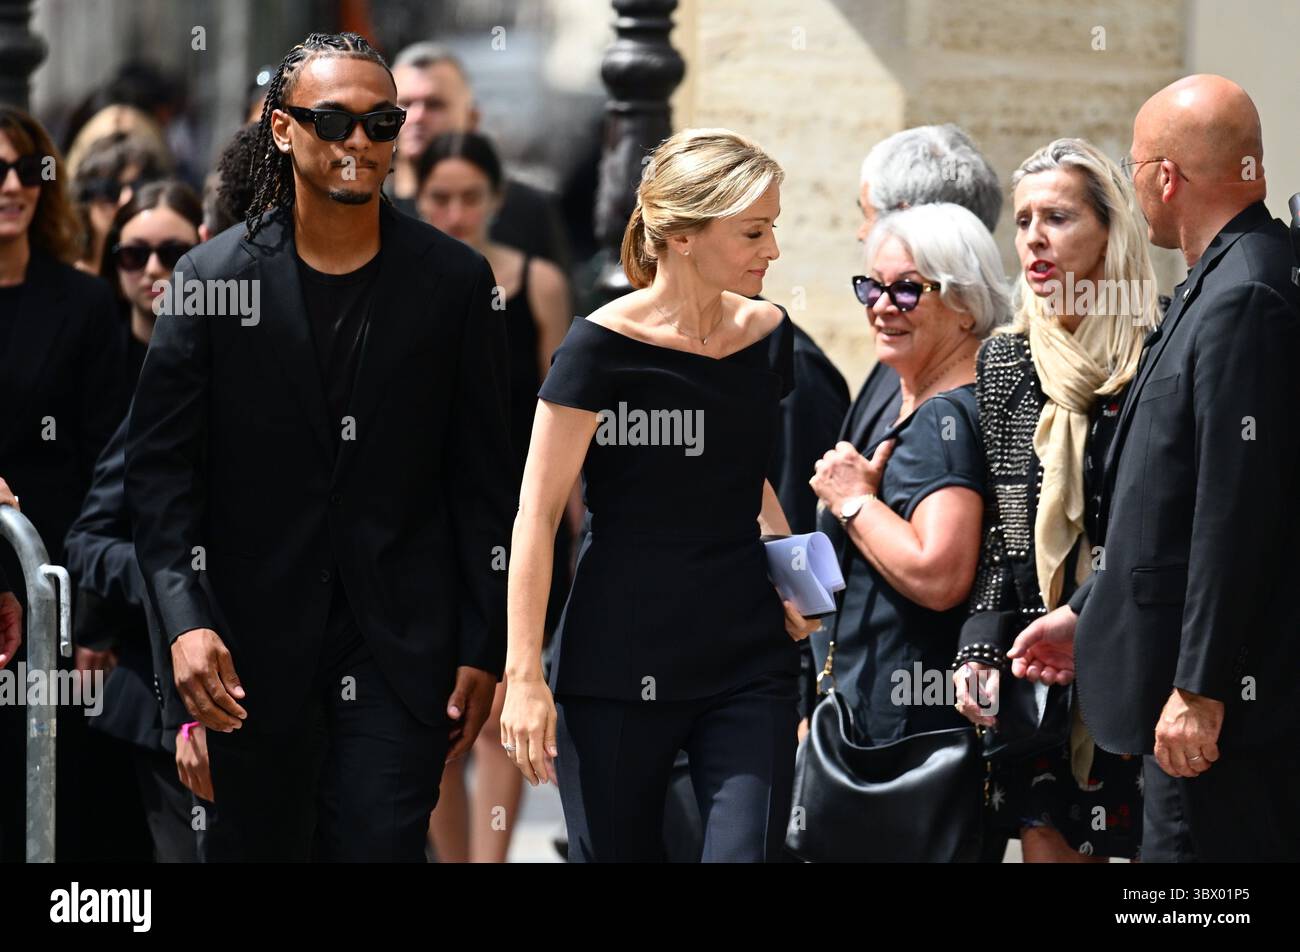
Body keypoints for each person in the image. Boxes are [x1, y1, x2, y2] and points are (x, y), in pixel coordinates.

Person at [125, 31, 515, 862]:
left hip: (399, 651)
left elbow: (485, 479)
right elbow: (160, 479)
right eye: (333, 121)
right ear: (281, 129)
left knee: (378, 844)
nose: (358, 143)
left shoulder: (453, 282)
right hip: (243, 658)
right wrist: (184, 629)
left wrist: (487, 647)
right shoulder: (209, 279)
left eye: (381, 123)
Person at [501, 128, 819, 862]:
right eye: (752, 231)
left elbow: (750, 477)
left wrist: (807, 590)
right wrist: (523, 675)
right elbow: (536, 514)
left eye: (772, 229)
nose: (771, 251)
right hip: (616, 661)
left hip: (748, 660)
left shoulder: (769, 333)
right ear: (681, 234)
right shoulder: (598, 346)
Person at [1011, 75, 1300, 862]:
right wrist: (1089, 610)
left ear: (1165, 177)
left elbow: (1235, 513)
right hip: (1182, 696)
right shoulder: (1216, 283)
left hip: (1219, 716)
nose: (1138, 189)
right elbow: (1159, 501)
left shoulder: (1247, 293)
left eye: (1137, 170)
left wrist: (1201, 691)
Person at [952, 139, 1158, 862]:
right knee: (1042, 845)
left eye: (1060, 218)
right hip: (1036, 665)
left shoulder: (1154, 348)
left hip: (1128, 650)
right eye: (1024, 219)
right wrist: (978, 648)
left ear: (1112, 229)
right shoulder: (1006, 357)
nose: (1035, 237)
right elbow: (1005, 534)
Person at [413, 130, 573, 863]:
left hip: (520, 525)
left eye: (470, 197)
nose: (454, 212)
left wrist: (578, 530)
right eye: (439, 197)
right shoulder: (406, 284)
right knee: (441, 710)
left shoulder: (536, 282)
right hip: (426, 528)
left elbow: (570, 413)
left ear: (496, 201)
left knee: (505, 701)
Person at [808, 203, 1004, 752]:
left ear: (966, 306)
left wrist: (852, 502)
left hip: (903, 741)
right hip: (895, 722)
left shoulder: (943, 417)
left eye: (909, 290)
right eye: (871, 288)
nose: (882, 307)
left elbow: (940, 573)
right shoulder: (937, 405)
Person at [0, 106, 128, 862]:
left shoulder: (81, 303)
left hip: (54, 591)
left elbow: (110, 462)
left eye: (28, 169)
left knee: (50, 798)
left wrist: (95, 620)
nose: (14, 185)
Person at [389, 42, 569, 269]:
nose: (417, 117)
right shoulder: (370, 207)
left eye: (434, 105)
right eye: (405, 104)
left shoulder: (526, 209)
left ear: (472, 118)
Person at [99, 181, 201, 385]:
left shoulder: (227, 355)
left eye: (174, 254)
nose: (152, 269)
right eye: (134, 255)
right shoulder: (91, 359)